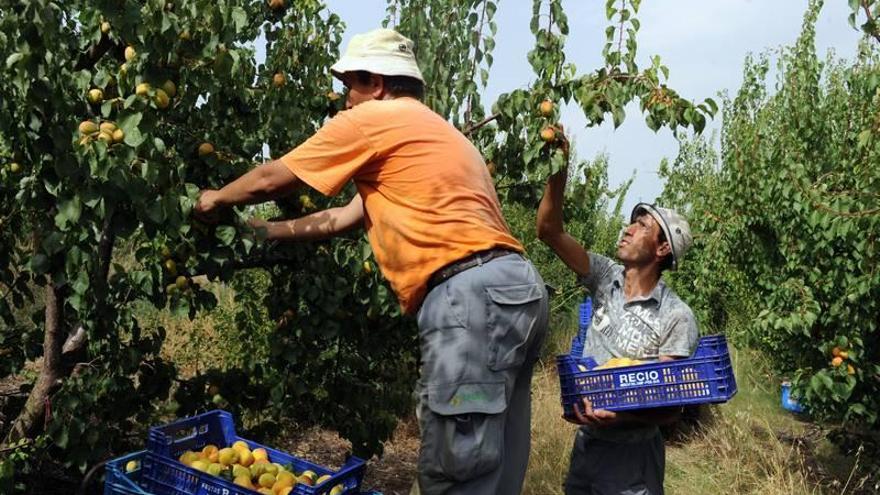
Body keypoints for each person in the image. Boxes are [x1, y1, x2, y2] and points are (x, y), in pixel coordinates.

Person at [194, 28, 549, 495]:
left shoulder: (375, 119)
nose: (344, 102)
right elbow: (341, 218)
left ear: (376, 84)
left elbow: (269, 178)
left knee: (457, 471)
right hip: (519, 293)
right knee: (495, 470)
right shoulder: (432, 134)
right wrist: (262, 231)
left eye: (350, 87)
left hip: (469, 298)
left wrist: (215, 200)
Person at [536, 158, 699, 495]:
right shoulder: (604, 277)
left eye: (641, 225)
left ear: (662, 247)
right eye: (631, 223)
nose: (628, 229)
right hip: (587, 446)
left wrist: (621, 417)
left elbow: (671, 408)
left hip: (632, 459)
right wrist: (558, 166)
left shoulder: (675, 315)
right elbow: (548, 231)